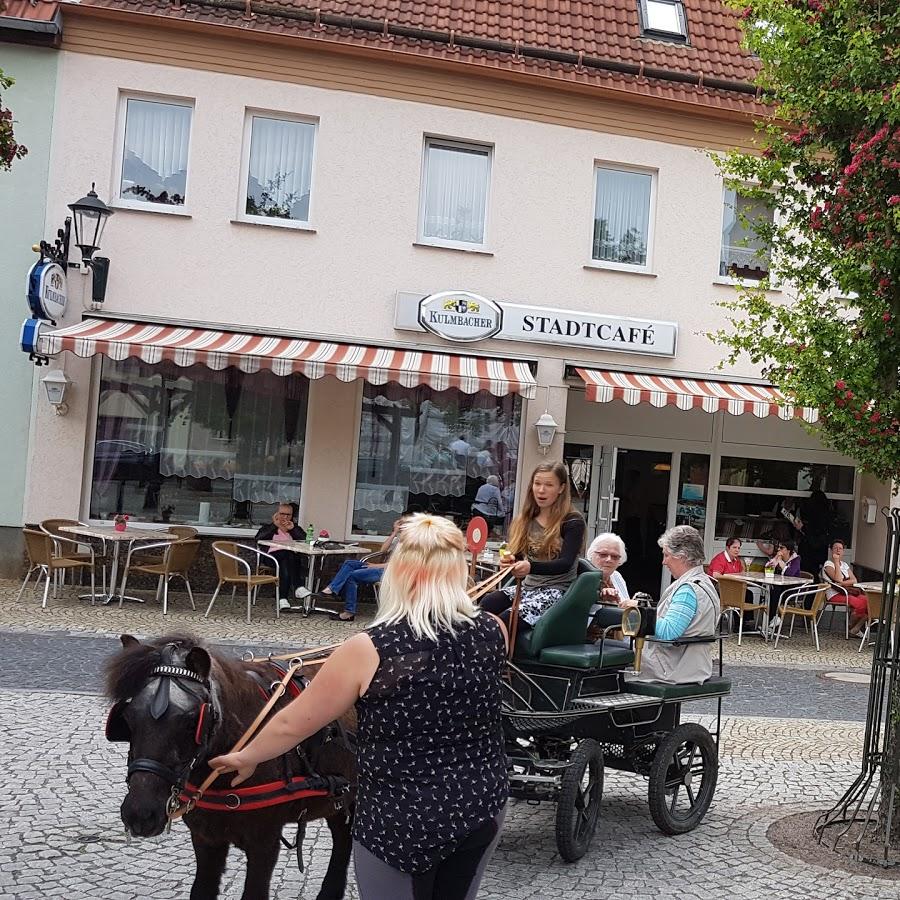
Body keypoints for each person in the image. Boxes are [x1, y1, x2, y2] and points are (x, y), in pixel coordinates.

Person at [210, 514, 509, 900]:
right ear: (457, 571)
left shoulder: (368, 648)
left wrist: (248, 755)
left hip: (399, 814)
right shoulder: (493, 631)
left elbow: (295, 722)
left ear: (399, 572)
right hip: (480, 802)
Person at [480, 460, 586, 632]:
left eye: (549, 485)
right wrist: (510, 562)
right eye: (537, 483)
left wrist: (530, 567)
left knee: (507, 620)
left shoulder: (572, 521)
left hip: (556, 592)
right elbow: (520, 556)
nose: (541, 490)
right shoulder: (525, 519)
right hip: (528, 587)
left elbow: (566, 564)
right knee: (486, 604)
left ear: (561, 488)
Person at [622, 525, 719, 685]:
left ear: (682, 556)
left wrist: (637, 610)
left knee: (609, 657)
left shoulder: (688, 590)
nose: (663, 562)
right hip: (690, 664)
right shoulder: (705, 581)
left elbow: (669, 631)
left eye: (666, 555)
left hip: (671, 668)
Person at [316, 518, 403, 622]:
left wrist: (374, 566)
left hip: (389, 572)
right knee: (349, 564)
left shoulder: (411, 545)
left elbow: (396, 565)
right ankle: (332, 589)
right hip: (381, 567)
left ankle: (349, 612)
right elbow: (383, 550)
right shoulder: (399, 540)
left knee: (352, 576)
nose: (401, 527)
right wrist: (394, 533)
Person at [254, 502, 307, 608]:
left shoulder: (294, 528)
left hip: (289, 558)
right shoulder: (269, 527)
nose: (285, 517)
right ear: (276, 514)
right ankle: (298, 586)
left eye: (289, 515)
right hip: (271, 557)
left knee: (286, 561)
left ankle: (283, 599)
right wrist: (275, 525)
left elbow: (305, 540)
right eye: (283, 514)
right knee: (286, 555)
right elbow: (258, 538)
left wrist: (293, 530)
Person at [585, 532, 630, 634]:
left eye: (614, 556)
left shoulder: (617, 576)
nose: (609, 559)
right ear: (591, 555)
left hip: (618, 640)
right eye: (603, 555)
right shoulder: (583, 575)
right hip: (585, 639)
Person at [822, 538, 868, 637]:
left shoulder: (845, 565)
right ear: (831, 550)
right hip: (834, 594)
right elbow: (838, 579)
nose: (838, 550)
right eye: (835, 548)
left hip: (847, 591)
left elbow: (854, 580)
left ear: (843, 551)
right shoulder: (828, 564)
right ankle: (850, 625)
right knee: (859, 603)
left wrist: (842, 583)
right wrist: (836, 562)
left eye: (840, 548)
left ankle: (854, 628)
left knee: (868, 601)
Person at [764, 539, 802, 629]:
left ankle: (772, 620)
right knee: (770, 591)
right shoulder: (778, 558)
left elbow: (789, 574)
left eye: (782, 548)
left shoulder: (796, 560)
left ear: (788, 550)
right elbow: (767, 568)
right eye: (778, 547)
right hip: (779, 587)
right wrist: (775, 560)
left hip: (791, 590)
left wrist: (780, 561)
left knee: (774, 592)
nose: (779, 550)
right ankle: (771, 620)